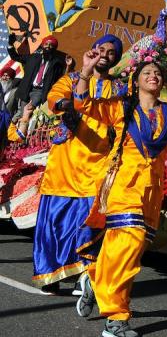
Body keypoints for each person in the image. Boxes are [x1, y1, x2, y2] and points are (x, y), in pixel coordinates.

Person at [72, 49, 167, 337]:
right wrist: (86, 72)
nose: (153, 76)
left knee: (130, 252)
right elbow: (82, 104)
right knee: (127, 247)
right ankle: (115, 319)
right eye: (147, 73)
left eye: (157, 73)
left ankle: (93, 277)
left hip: (151, 192)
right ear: (136, 81)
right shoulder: (122, 106)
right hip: (123, 186)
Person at [20, 35, 127, 294]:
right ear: (91, 51)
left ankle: (83, 272)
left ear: (116, 59)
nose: (105, 54)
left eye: (111, 52)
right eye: (101, 49)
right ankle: (50, 273)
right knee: (54, 221)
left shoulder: (120, 88)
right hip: (65, 161)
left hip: (98, 161)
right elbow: (53, 99)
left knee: (88, 219)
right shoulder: (71, 79)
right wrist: (72, 100)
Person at [8, 34, 67, 122]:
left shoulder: (56, 64)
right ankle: (12, 129)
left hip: (39, 92)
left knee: (27, 112)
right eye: (46, 44)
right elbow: (16, 56)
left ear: (54, 48)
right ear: (43, 45)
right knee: (21, 113)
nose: (48, 46)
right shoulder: (33, 58)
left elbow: (61, 79)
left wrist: (68, 66)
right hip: (26, 89)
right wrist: (10, 44)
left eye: (51, 45)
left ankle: (18, 130)